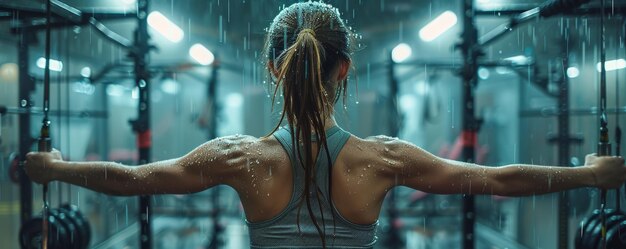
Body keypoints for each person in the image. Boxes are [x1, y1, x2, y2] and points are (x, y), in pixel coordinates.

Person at [24, 2, 625, 249]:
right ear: (345, 69)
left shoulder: (241, 158)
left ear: (270, 67)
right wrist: (588, 174)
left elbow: (133, 179)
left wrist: (54, 168)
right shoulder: (382, 160)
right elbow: (498, 180)